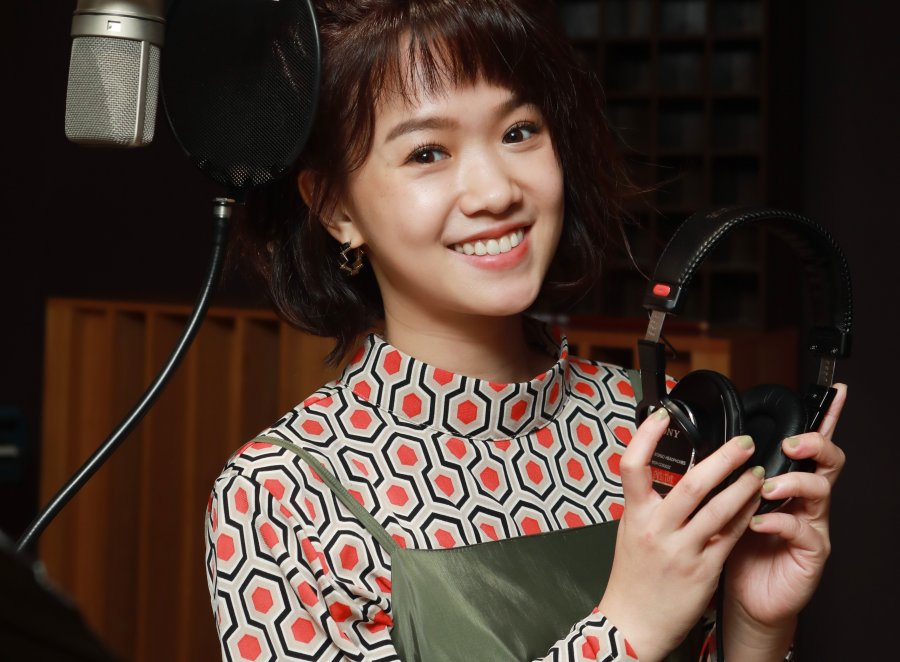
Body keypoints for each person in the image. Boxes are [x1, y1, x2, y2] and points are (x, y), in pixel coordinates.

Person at [205, 1, 847, 660]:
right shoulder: (281, 496)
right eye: (428, 152)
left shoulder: (654, 422)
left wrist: (756, 627)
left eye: (518, 132)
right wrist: (627, 629)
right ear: (335, 207)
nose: (496, 192)